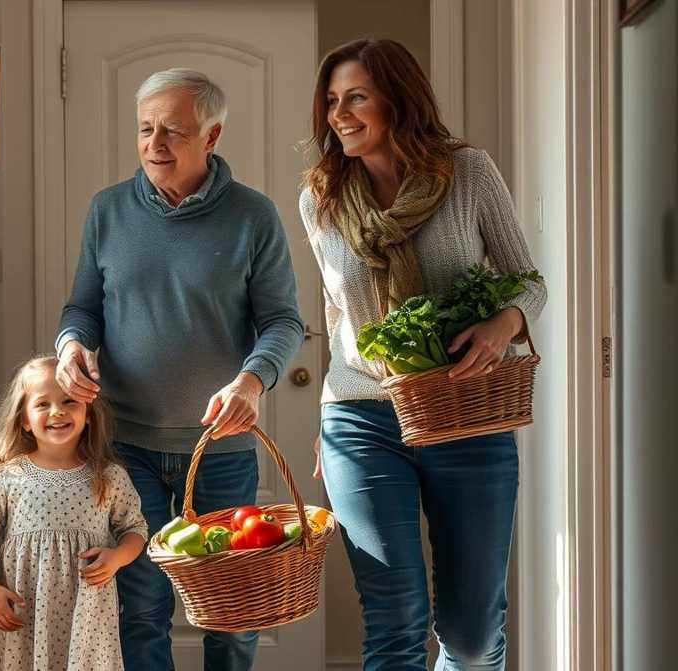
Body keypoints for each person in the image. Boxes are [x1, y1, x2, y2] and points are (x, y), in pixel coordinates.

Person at [300, 39, 547, 671]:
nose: (339, 114)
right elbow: (337, 317)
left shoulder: (466, 173)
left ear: (397, 98)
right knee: (395, 619)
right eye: (332, 100)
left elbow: (528, 279)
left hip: (466, 413)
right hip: (361, 419)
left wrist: (502, 325)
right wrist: (326, 426)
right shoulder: (321, 199)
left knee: (469, 633)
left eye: (356, 96)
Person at [54, 68, 304, 671]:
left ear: (212, 136)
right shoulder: (107, 210)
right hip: (126, 446)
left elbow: (284, 323)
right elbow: (82, 308)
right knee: (139, 606)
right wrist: (70, 348)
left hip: (217, 448)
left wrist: (252, 379)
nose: (155, 144)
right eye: (145, 129)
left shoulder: (254, 216)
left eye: (173, 131)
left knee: (233, 613)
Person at [0, 356, 149, 671]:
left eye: (68, 401)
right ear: (23, 419)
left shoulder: (109, 475)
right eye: (42, 404)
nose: (57, 411)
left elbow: (135, 528)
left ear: (88, 414)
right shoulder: (8, 476)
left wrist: (118, 557)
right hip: (26, 608)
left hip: (87, 611)